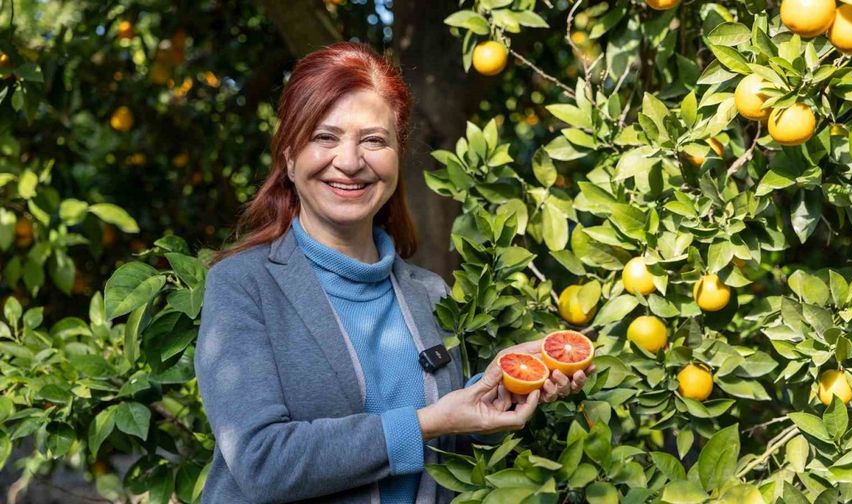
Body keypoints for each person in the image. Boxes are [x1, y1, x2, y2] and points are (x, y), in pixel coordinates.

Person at [193, 41, 594, 504]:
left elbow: (445, 456)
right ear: (288, 157)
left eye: (373, 140)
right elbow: (263, 463)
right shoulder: (243, 285)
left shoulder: (428, 293)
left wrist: (495, 395)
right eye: (325, 137)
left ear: (397, 158)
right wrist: (429, 422)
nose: (349, 161)